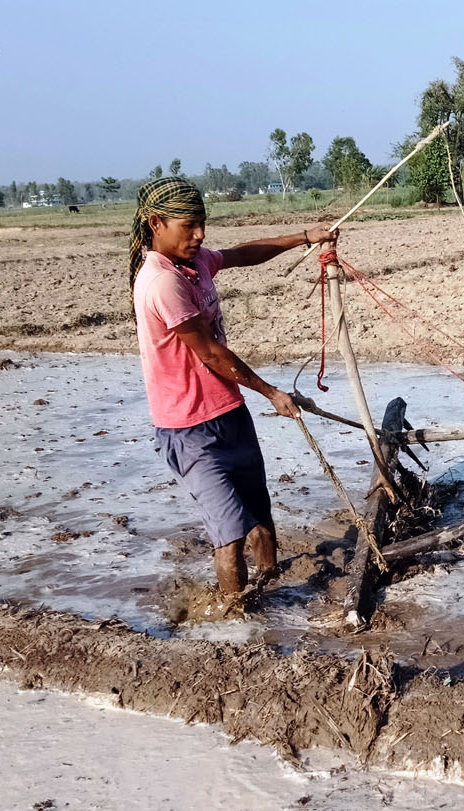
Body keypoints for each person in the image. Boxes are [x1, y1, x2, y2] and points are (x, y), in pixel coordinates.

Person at [128, 176, 335, 603]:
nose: (200, 235)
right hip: (189, 430)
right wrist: (271, 392)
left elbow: (242, 254)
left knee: (260, 516)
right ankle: (238, 628)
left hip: (228, 412)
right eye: (189, 226)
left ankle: (273, 591)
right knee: (229, 537)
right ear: (156, 223)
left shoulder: (195, 262)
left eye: (202, 223)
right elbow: (211, 354)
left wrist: (304, 238)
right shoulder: (162, 282)